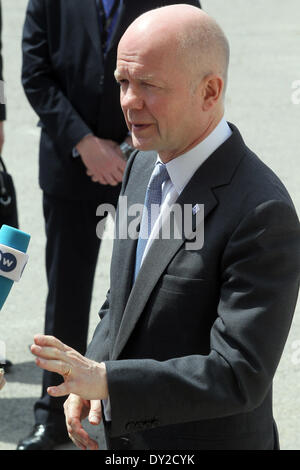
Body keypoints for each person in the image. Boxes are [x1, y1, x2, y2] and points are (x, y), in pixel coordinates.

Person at [31, 4, 300, 451]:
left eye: (149, 86)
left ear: (210, 91)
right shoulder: (140, 164)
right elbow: (122, 299)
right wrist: (90, 370)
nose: (129, 101)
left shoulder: (261, 212)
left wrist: (109, 381)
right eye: (123, 82)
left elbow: (239, 374)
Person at [18, 0, 201, 451]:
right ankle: (54, 411)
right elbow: (35, 72)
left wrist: (127, 147)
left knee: (158, 293)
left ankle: (145, 410)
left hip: (151, 160)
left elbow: (189, 67)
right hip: (71, 164)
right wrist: (85, 143)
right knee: (67, 294)